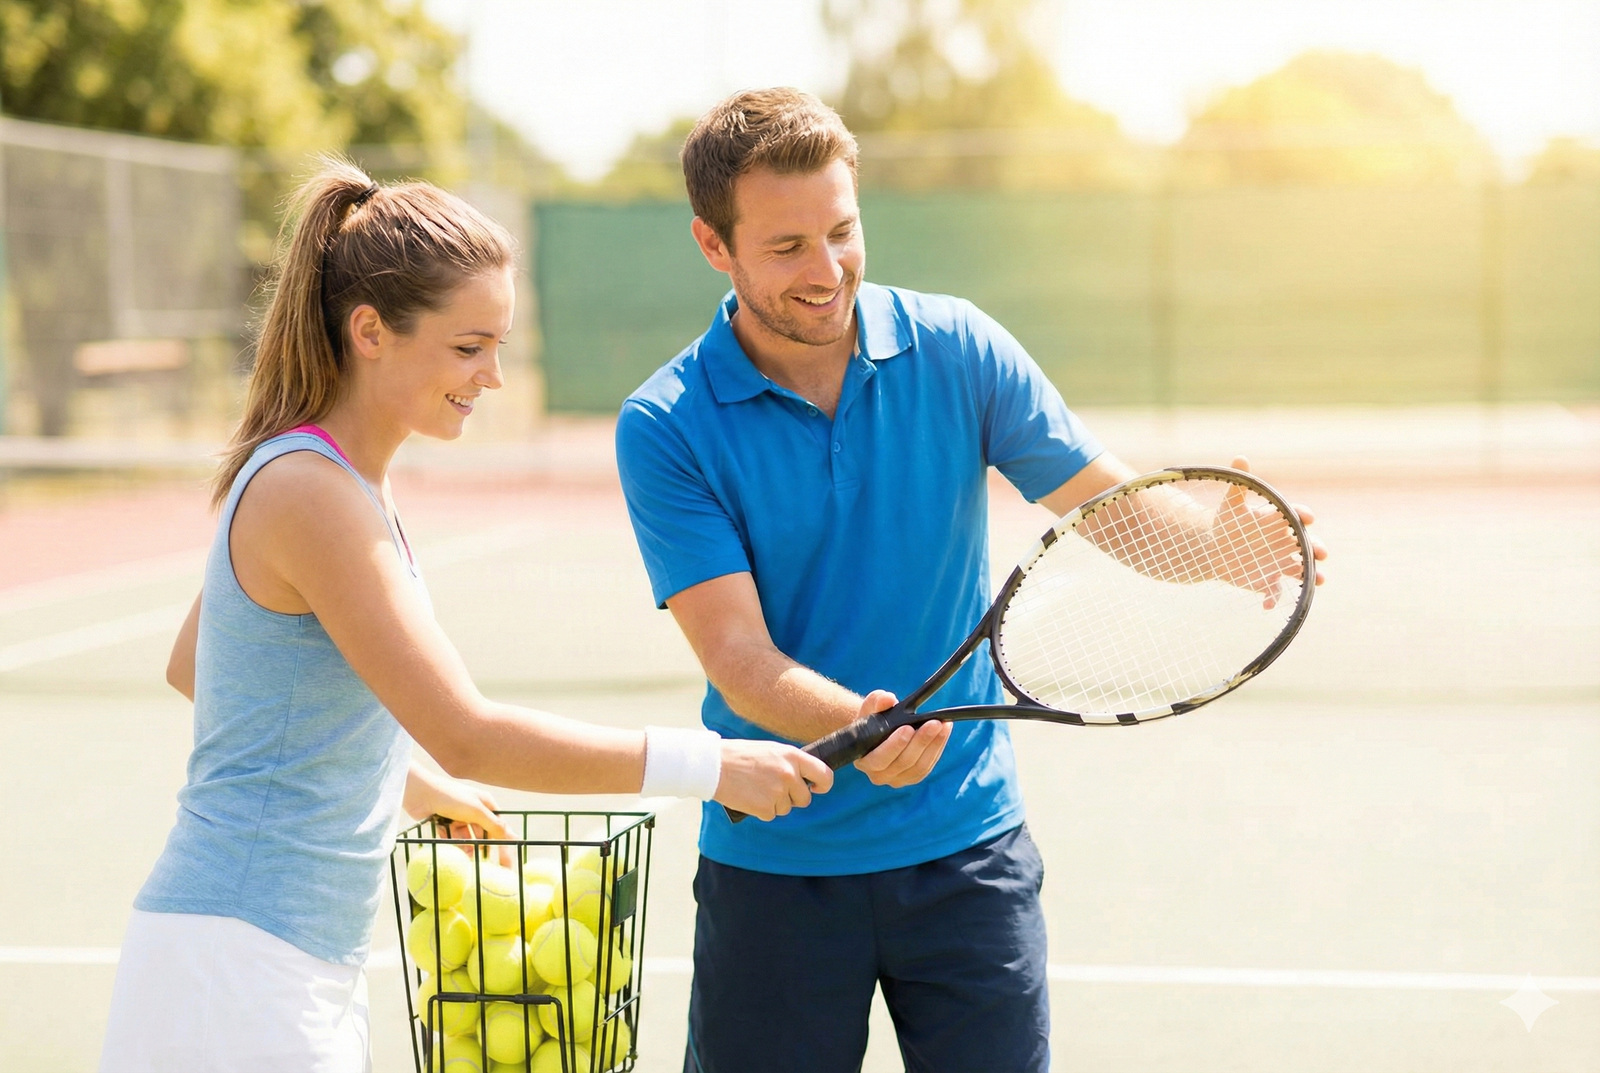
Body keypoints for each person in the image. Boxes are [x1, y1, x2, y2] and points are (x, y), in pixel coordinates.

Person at [614, 89, 1328, 1073]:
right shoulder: (666, 424)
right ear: (713, 244)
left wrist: (1210, 548)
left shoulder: (958, 348)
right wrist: (859, 724)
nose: (826, 270)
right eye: (786, 247)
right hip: (775, 864)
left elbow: (1102, 502)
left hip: (966, 855)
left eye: (842, 231)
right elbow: (737, 653)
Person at [98, 161, 834, 1073]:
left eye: (498, 345)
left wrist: (406, 782)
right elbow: (468, 733)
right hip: (237, 974)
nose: (492, 375)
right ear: (371, 330)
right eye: (467, 347)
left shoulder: (337, 480)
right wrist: (712, 764)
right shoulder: (311, 492)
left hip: (270, 962)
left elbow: (197, 663)